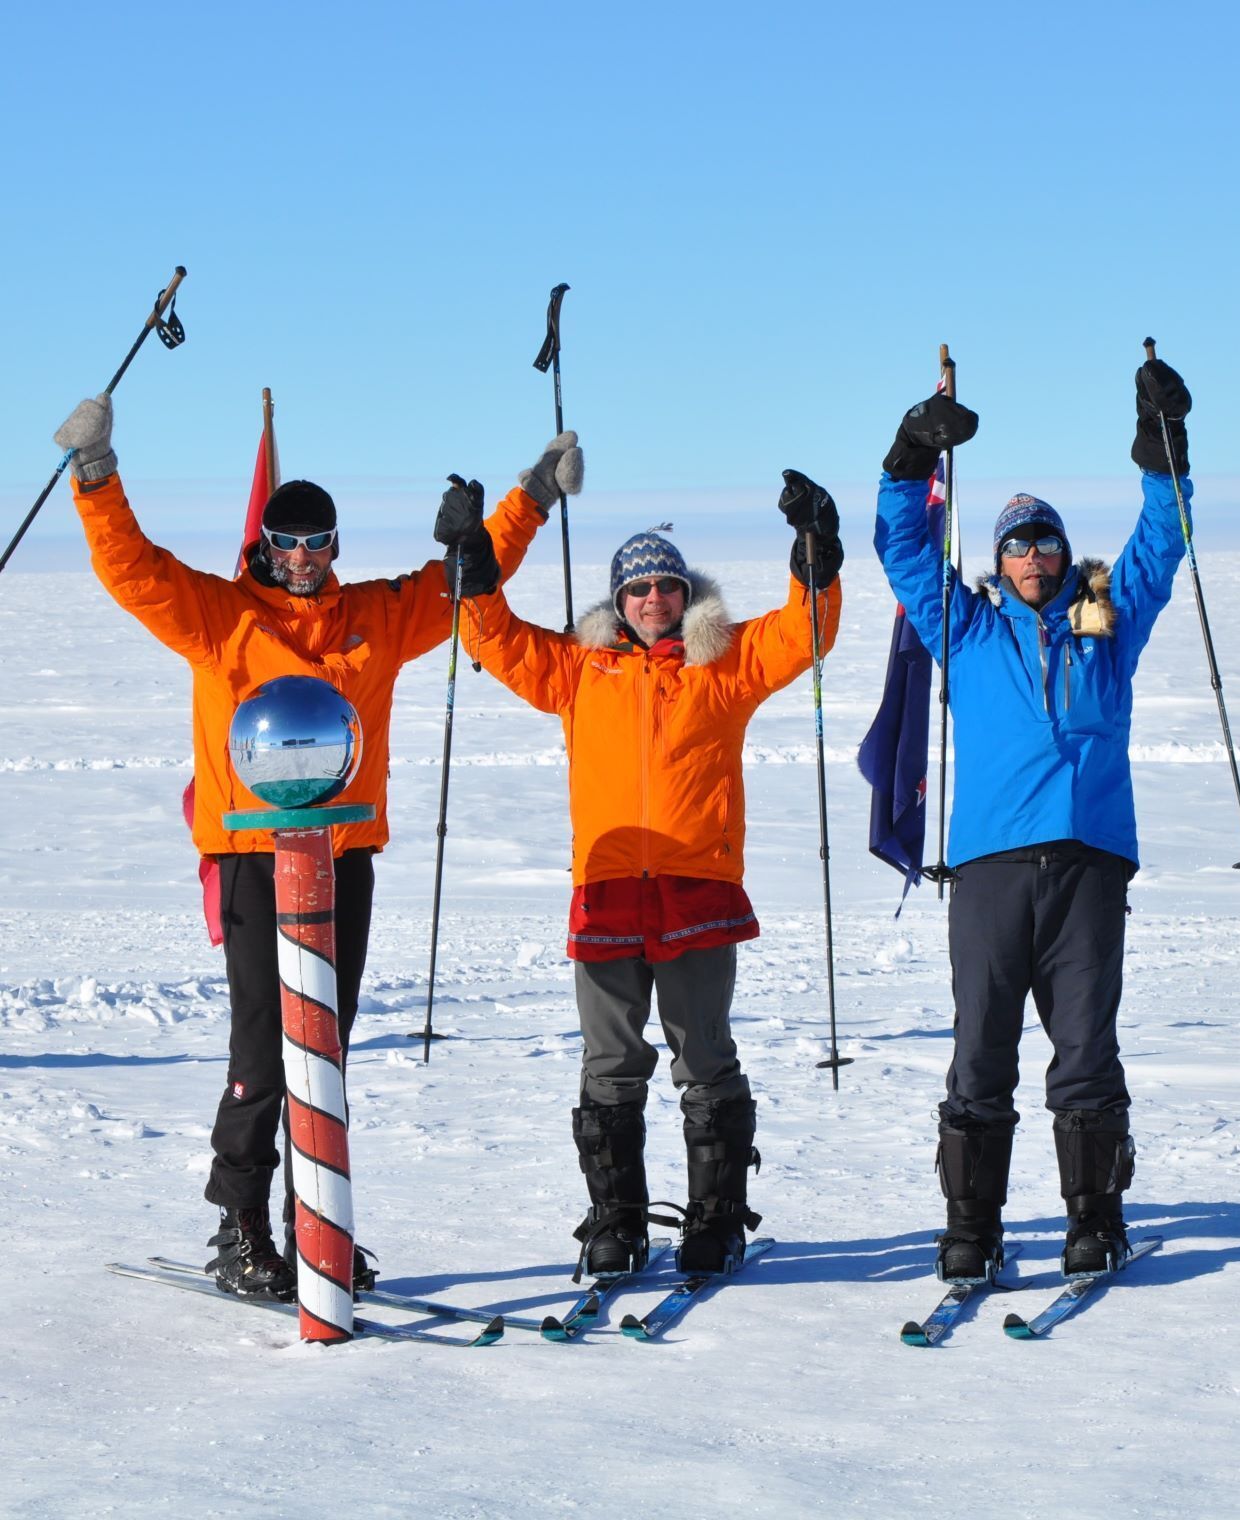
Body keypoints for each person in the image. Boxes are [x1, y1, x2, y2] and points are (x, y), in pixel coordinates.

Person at [53, 393, 582, 1301]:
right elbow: (134, 570)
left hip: (345, 858)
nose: (302, 556)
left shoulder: (372, 618)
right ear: (263, 541)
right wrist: (96, 473)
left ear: (335, 547)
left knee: (325, 1048)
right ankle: (241, 1227)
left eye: (317, 540)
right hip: (254, 859)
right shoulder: (221, 616)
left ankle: (321, 1228)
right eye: (287, 538)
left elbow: (460, 579)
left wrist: (530, 494)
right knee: (265, 1045)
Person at [437, 461, 844, 1277]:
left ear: (684, 596)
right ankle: (614, 1222)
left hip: (698, 890)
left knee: (704, 1056)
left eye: (665, 586)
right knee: (611, 1064)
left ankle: (716, 1220)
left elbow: (804, 632)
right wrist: (473, 567)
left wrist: (815, 555)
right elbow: (497, 640)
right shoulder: (579, 671)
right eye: (637, 589)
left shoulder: (721, 665)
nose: (652, 599)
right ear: (616, 602)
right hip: (608, 891)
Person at [872, 358, 1194, 1281]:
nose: (1032, 559)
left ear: (1063, 555)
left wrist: (1161, 447)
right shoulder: (965, 629)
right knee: (980, 1053)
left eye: (1045, 544)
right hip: (989, 874)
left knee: (1086, 1053)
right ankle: (970, 1227)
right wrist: (905, 455)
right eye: (1017, 547)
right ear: (1000, 561)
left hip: (1089, 868)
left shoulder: (1109, 623)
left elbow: (1161, 540)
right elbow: (901, 547)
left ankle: (1094, 1220)